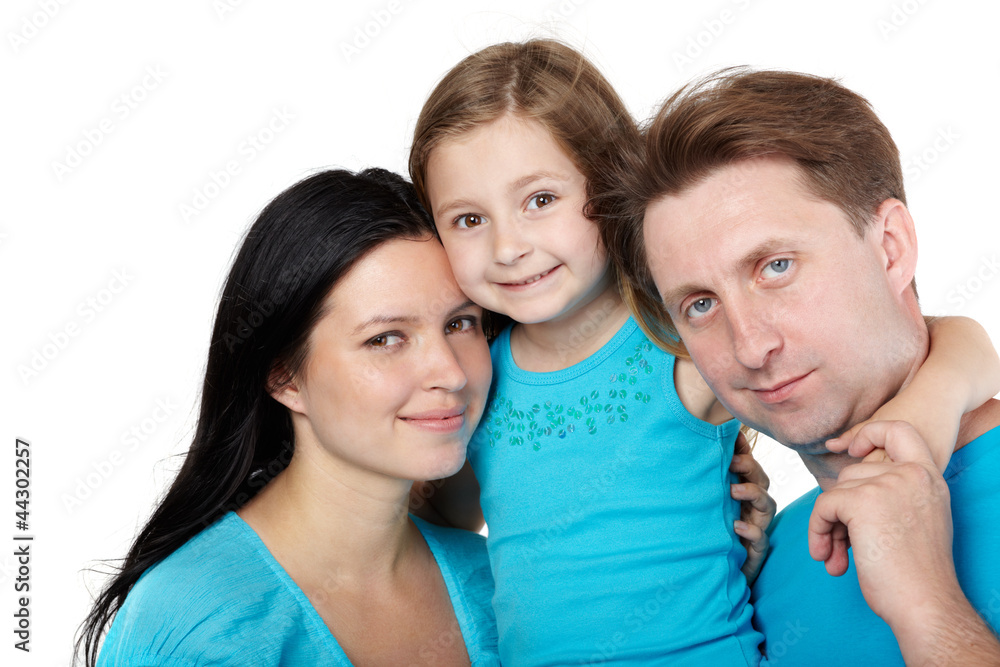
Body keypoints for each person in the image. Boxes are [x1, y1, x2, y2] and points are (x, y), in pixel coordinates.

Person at [407, 40, 987, 665]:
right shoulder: (477, 371)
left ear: (604, 194)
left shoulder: (673, 339)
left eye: (540, 200)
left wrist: (925, 414)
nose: (508, 247)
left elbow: (958, 339)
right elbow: (442, 523)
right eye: (468, 220)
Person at [609, 67, 1000, 665]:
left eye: (776, 267)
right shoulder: (759, 572)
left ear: (890, 247)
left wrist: (929, 606)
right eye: (701, 304)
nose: (749, 346)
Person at [76, 169, 501, 666]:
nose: (451, 372)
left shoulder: (497, 582)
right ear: (284, 377)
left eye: (460, 323)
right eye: (385, 339)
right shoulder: (193, 624)